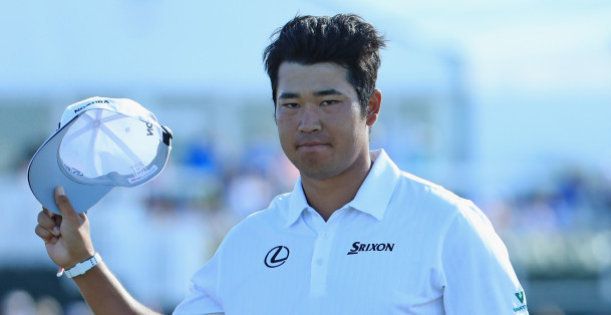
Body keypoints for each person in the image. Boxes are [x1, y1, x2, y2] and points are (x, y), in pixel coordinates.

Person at [34, 14, 529, 314]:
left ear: (371, 107)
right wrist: (83, 263)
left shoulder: (449, 225)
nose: (307, 121)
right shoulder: (250, 241)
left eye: (328, 101)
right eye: (291, 104)